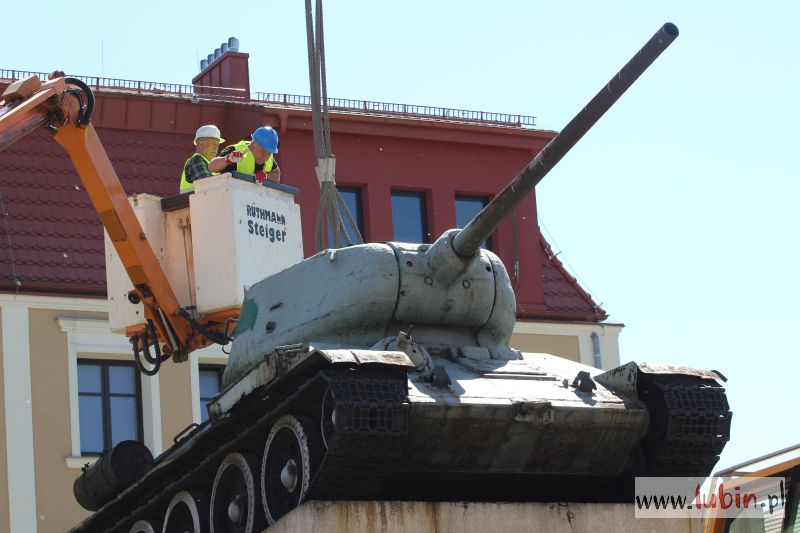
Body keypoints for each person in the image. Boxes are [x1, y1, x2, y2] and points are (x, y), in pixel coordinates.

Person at [209, 126, 281, 183]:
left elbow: (276, 175)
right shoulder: (236, 150)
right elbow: (211, 167)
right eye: (262, 151)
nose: (265, 155)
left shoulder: (269, 156)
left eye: (269, 153)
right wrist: (228, 159)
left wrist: (266, 175)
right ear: (252, 144)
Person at [179, 125, 225, 192]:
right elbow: (209, 187)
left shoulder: (210, 165)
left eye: (217, 144)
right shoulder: (196, 160)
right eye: (213, 143)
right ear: (200, 144)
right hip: (193, 202)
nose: (216, 148)